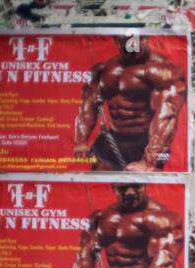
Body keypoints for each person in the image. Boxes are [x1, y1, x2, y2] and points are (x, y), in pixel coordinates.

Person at [74, 37, 187, 172]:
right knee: (100, 187)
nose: (133, 46)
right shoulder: (103, 69)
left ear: (146, 38)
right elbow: (89, 103)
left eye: (138, 40)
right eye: (127, 41)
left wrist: (149, 161)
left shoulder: (163, 71)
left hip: (145, 145)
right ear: (116, 40)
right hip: (111, 141)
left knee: (141, 189)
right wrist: (81, 141)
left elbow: (167, 114)